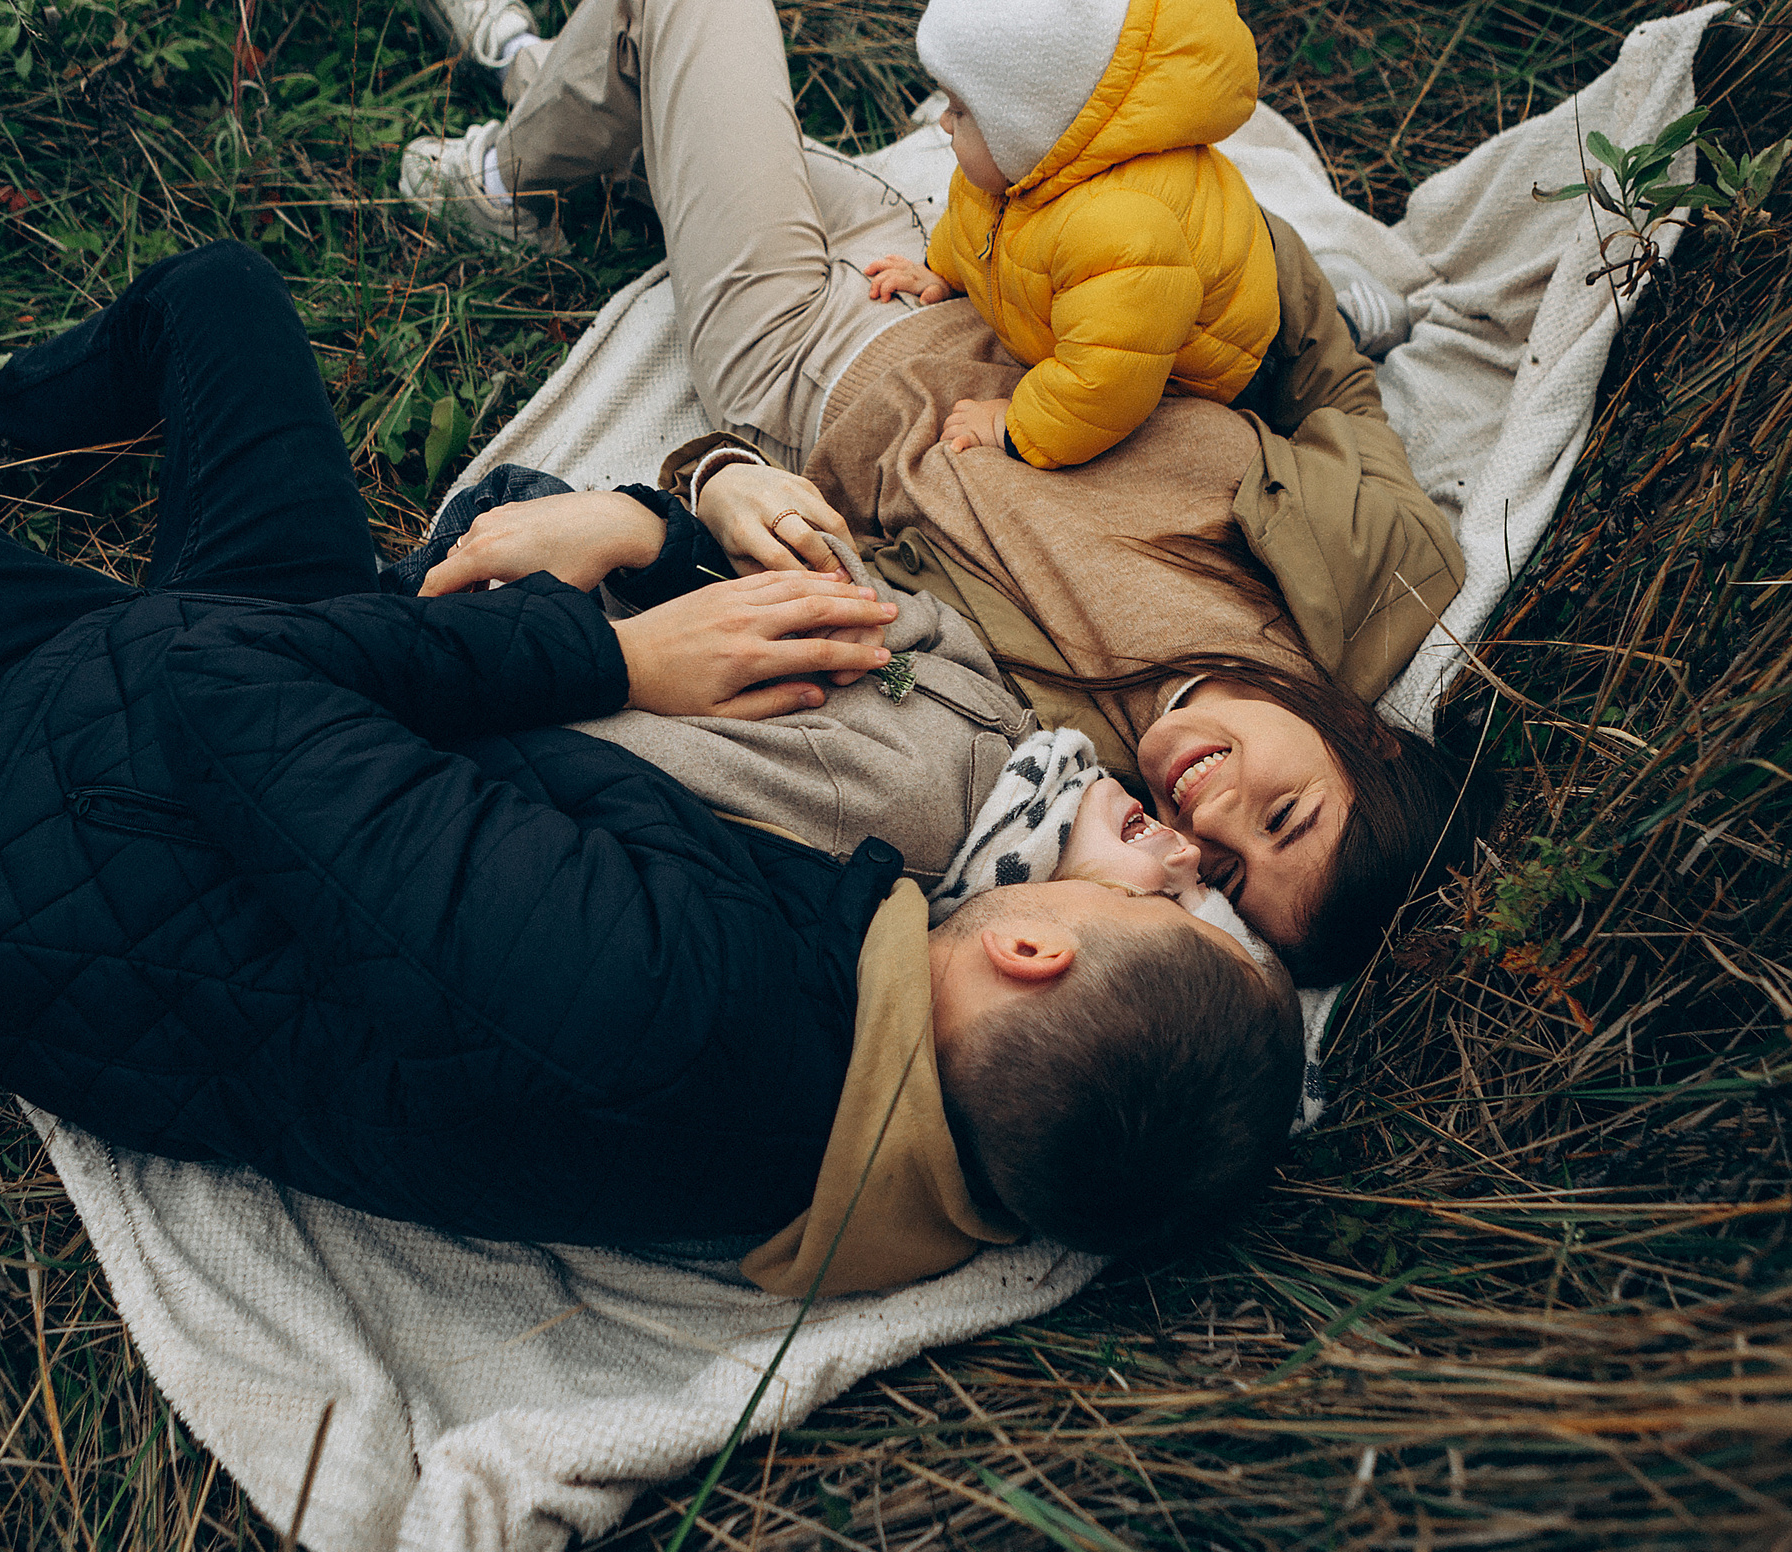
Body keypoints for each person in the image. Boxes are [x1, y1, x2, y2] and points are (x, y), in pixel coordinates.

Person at [0, 243, 1305, 1296]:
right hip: (295, 711)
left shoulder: (679, 998)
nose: (1173, 856)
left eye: (1177, 906)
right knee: (221, 298)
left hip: (66, 772)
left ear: (1035, 946)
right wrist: (645, 538)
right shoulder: (874, 1121)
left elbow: (208, 685)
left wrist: (614, 657)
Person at [406, 0, 1497, 991]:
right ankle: (543, 101)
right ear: (1371, 742)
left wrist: (714, 475)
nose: (1211, 819)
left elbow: (792, 580)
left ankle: (510, 162)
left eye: (1227, 874)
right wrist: (1240, 257)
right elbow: (1331, 381)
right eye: (1284, 816)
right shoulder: (1380, 572)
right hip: (972, 254)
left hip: (802, 354)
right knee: (672, 98)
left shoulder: (1048, 770)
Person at [858, 0, 1279, 471]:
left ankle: (1331, 346)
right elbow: (976, 224)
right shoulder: (1008, 175)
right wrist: (940, 271)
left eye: (960, 109)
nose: (943, 122)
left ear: (1026, 128)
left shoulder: (1114, 230)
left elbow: (1109, 379)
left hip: (1231, 362)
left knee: (1305, 392)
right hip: (1170, 301)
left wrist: (1014, 425)